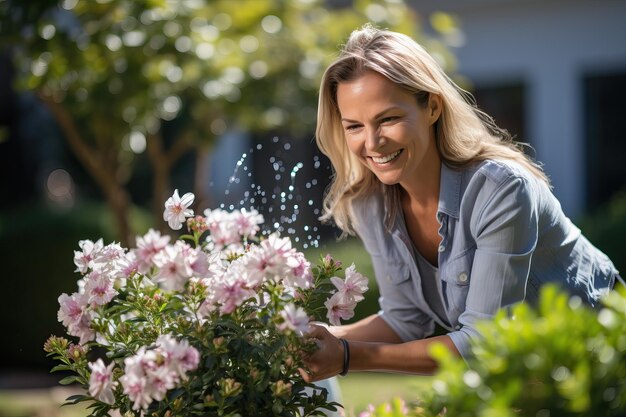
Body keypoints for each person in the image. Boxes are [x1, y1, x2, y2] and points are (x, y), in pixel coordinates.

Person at [302, 24, 621, 382]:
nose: (372, 143)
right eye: (354, 126)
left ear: (433, 107)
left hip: (604, 355)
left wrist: (345, 356)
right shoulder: (370, 202)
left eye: (388, 119)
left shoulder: (501, 190)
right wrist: (309, 341)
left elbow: (482, 343)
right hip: (529, 372)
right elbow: (406, 317)